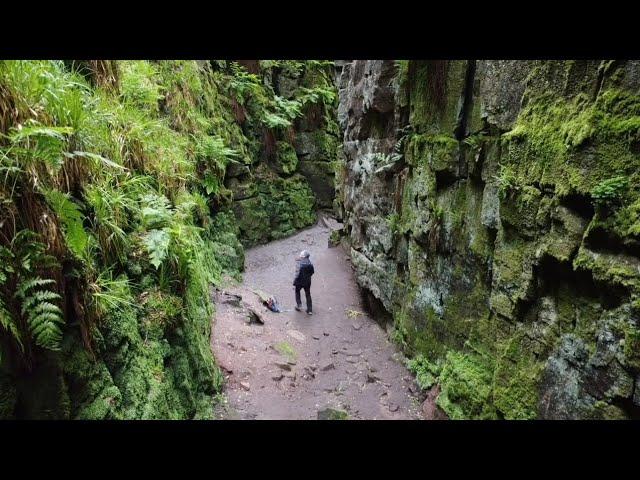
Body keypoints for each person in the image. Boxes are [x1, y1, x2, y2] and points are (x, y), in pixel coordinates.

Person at [293, 250, 314, 315]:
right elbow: (312, 272)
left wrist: (294, 281)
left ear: (303, 256)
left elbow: (297, 274)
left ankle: (299, 305)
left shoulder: (299, 263)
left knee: (297, 291)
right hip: (307, 282)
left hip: (299, 282)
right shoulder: (310, 263)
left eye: (301, 255)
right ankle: (309, 310)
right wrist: (307, 277)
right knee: (308, 294)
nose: (300, 255)